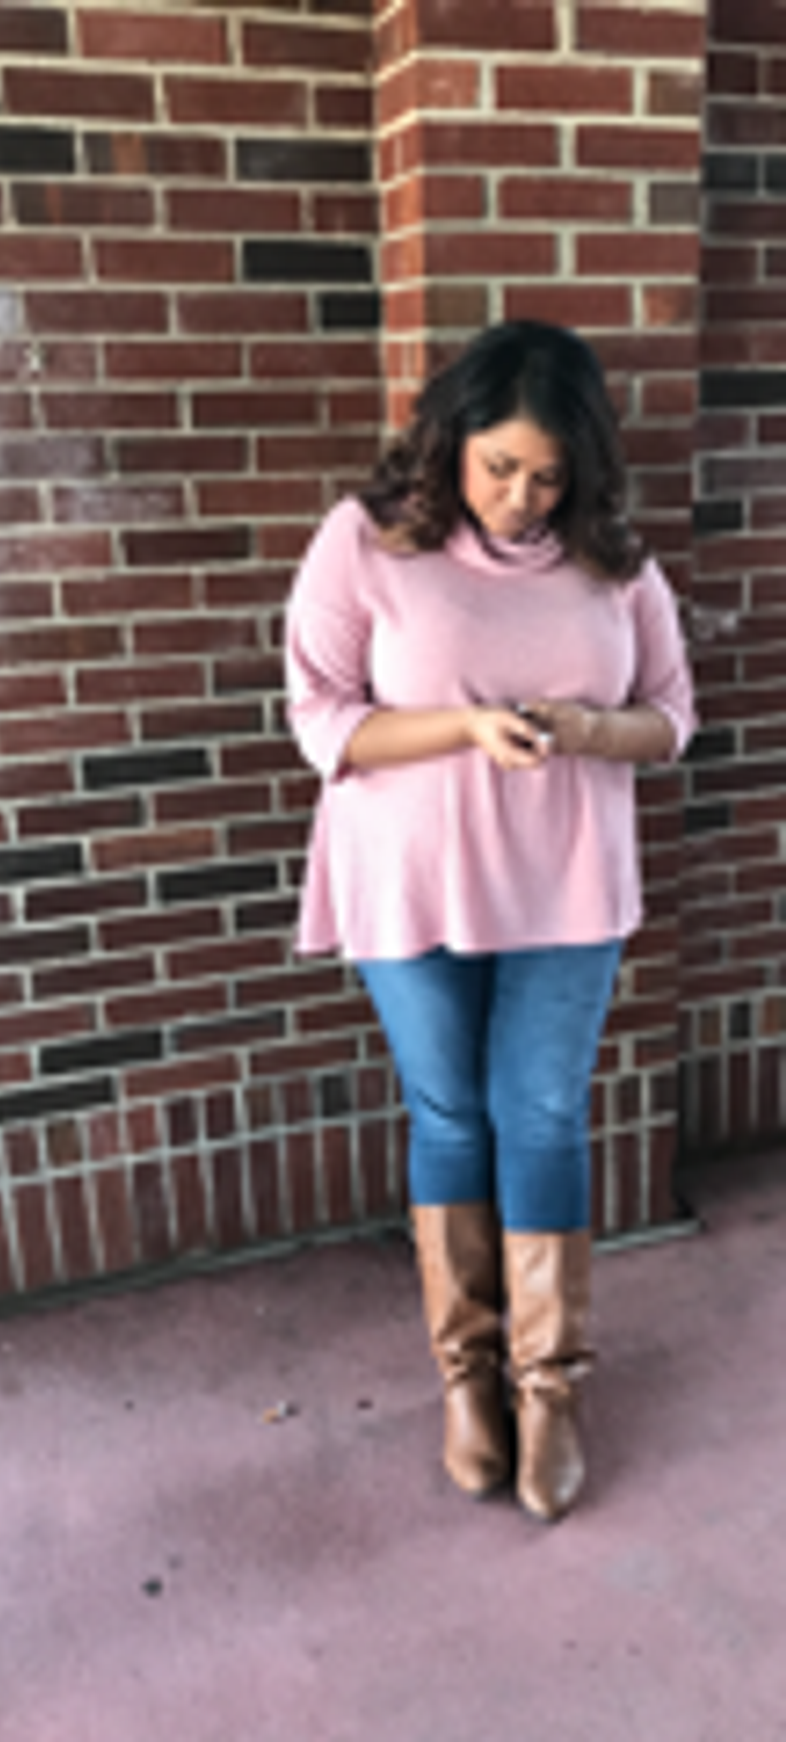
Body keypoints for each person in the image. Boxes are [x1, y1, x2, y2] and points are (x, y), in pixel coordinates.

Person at [284, 319, 696, 1522]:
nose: (521, 499)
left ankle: (549, 1385)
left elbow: (669, 716)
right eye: (499, 466)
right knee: (451, 1113)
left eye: (548, 476)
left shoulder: (613, 560)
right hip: (409, 881)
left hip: (564, 885)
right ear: (449, 438)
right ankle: (467, 1378)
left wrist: (584, 728)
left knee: (543, 1113)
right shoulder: (364, 542)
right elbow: (320, 717)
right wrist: (466, 726)